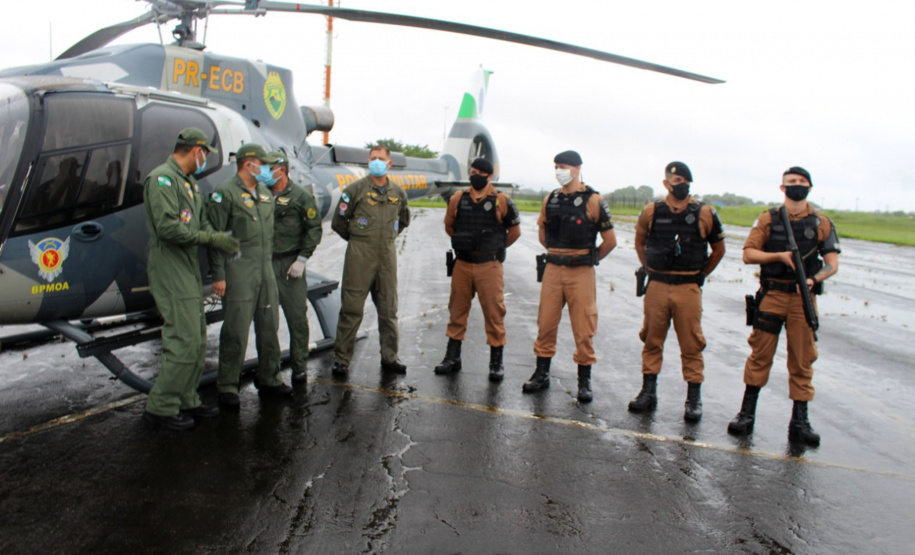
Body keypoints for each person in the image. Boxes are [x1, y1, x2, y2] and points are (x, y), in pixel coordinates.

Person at [728, 166, 840, 446]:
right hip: (773, 294)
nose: (797, 186)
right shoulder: (768, 219)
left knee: (802, 358)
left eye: (802, 182)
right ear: (782, 188)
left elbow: (832, 263)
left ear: (809, 188)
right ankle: (746, 414)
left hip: (803, 299)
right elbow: (748, 254)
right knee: (760, 353)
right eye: (792, 182)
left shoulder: (821, 223)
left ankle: (800, 422)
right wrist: (778, 255)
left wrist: (814, 279)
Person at [142, 127, 239, 429]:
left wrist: (217, 237)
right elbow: (169, 229)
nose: (204, 160)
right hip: (170, 266)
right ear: (196, 150)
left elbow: (197, 223)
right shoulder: (162, 179)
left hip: (186, 268)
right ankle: (161, 405)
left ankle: (187, 399)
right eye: (204, 154)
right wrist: (212, 240)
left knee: (196, 338)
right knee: (182, 338)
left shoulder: (189, 184)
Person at [628, 162, 726, 421]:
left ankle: (693, 398)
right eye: (674, 179)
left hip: (687, 287)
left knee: (691, 342)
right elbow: (639, 241)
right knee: (651, 339)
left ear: (689, 183)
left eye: (682, 179)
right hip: (658, 285)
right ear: (665, 183)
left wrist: (702, 273)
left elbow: (718, 249)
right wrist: (648, 266)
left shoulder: (705, 213)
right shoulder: (651, 211)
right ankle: (648, 392)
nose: (678, 183)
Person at [524, 150, 617, 402]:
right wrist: (558, 253)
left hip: (581, 271)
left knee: (584, 328)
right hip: (554, 268)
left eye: (562, 166)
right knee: (546, 323)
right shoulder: (550, 199)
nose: (558, 171)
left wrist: (589, 258)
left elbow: (610, 241)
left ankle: (584, 381)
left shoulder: (594, 200)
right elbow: (542, 234)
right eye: (555, 166)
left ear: (577, 168)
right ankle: (541, 374)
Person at [207, 144, 291, 408]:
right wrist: (219, 275)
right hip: (239, 270)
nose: (267, 169)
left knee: (269, 325)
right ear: (248, 164)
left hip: (265, 269)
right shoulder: (225, 194)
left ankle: (269, 377)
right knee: (235, 329)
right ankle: (228, 386)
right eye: (263, 164)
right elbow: (216, 238)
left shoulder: (265, 194)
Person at [434, 158, 521, 382]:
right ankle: (452, 358)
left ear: (490, 176)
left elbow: (515, 232)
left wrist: (496, 247)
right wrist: (464, 242)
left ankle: (496, 362)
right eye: (473, 171)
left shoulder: (502, 200)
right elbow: (449, 226)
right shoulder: (457, 198)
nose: (476, 175)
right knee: (457, 310)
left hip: (489, 266)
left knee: (494, 313)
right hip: (462, 264)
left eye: (481, 172)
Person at [330, 145, 411, 376]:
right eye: (372, 158)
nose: (375, 161)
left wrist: (386, 238)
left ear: (389, 164)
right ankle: (342, 359)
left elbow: (404, 219)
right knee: (352, 308)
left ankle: (390, 357)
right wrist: (359, 239)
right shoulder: (354, 190)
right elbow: (339, 222)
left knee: (389, 310)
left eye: (380, 158)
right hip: (360, 256)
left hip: (387, 256)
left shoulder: (397, 192)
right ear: (368, 161)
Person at [268, 150, 323, 384]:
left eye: (267, 168)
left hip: (290, 265)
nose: (262, 172)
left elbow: (314, 228)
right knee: (267, 320)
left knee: (297, 318)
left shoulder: (301, 196)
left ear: (281, 169)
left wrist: (302, 259)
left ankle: (299, 366)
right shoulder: (259, 195)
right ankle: (269, 370)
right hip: (265, 264)